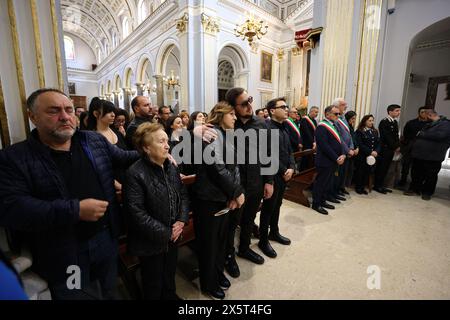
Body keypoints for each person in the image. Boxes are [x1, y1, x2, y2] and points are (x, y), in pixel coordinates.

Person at [0, 88, 139, 300]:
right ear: (33, 117)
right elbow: (14, 208)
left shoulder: (93, 141)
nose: (65, 117)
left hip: (105, 239)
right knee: (77, 295)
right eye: (54, 111)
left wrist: (161, 151)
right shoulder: (15, 158)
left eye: (69, 110)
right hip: (64, 251)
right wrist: (75, 210)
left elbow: (124, 158)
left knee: (109, 290)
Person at [123, 122, 189, 300]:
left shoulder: (171, 166)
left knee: (169, 274)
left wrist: (181, 221)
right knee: (153, 282)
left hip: (173, 234)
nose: (167, 145)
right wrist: (167, 232)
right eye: (161, 142)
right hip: (150, 240)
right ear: (146, 147)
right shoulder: (135, 173)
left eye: (167, 140)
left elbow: (182, 194)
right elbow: (137, 213)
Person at [193, 102, 245, 300]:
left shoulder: (227, 135)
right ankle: (208, 283)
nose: (235, 117)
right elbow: (217, 168)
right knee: (210, 244)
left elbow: (236, 168)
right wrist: (235, 192)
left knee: (222, 241)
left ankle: (217, 274)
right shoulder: (211, 133)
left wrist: (234, 193)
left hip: (223, 196)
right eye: (231, 114)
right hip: (209, 198)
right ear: (220, 115)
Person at [223, 88, 274, 275]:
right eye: (243, 103)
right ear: (233, 108)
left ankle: (244, 248)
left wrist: (269, 181)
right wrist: (198, 128)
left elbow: (269, 153)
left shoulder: (261, 123)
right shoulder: (227, 125)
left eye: (249, 100)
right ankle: (229, 256)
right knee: (231, 223)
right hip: (236, 185)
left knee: (250, 219)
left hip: (256, 182)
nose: (249, 106)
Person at [258, 98, 295, 258]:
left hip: (284, 174)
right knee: (268, 207)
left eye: (287, 107)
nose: (287, 109)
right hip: (272, 174)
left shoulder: (284, 127)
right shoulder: (266, 128)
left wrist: (292, 167)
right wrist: (284, 169)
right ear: (272, 110)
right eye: (283, 107)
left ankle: (274, 232)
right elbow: (267, 154)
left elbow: (289, 151)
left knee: (278, 204)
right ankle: (263, 240)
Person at [404, 110, 450, 200]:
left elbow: (440, 135)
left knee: (431, 175)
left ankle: (427, 192)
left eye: (425, 116)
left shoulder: (445, 124)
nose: (423, 118)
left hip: (433, 156)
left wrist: (421, 133)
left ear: (429, 115)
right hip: (420, 154)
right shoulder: (429, 124)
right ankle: (415, 189)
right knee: (416, 173)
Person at [311, 105, 346, 215]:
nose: (338, 116)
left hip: (333, 160)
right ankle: (316, 204)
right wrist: (336, 157)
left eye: (339, 114)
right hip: (324, 160)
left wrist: (342, 155)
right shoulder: (322, 126)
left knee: (328, 183)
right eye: (336, 114)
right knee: (321, 183)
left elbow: (338, 142)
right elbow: (324, 146)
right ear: (327, 114)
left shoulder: (333, 125)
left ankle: (323, 200)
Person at [398, 106, 431, 187]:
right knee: (406, 165)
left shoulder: (430, 124)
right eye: (422, 112)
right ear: (419, 113)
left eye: (425, 112)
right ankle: (403, 180)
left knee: (419, 167)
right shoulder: (411, 123)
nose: (424, 114)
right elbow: (405, 135)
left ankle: (416, 184)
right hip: (410, 147)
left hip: (423, 149)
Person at [374, 104, 401, 194]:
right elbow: (386, 137)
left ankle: (382, 185)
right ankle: (377, 186)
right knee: (382, 168)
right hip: (385, 148)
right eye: (397, 111)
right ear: (390, 111)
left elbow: (396, 136)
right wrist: (394, 146)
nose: (399, 113)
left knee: (386, 168)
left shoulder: (394, 122)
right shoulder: (384, 122)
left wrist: (398, 146)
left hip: (391, 149)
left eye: (399, 111)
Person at [332, 98, 356, 198]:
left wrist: (352, 147)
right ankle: (335, 191)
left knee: (343, 173)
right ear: (337, 106)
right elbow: (339, 137)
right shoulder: (335, 119)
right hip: (340, 151)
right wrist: (347, 150)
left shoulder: (343, 118)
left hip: (347, 151)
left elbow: (349, 135)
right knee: (337, 173)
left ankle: (340, 188)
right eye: (343, 104)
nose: (346, 106)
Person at [354, 115, 380, 194]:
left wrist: (376, 151)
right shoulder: (360, 131)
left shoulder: (374, 131)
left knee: (367, 172)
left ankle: (363, 187)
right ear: (365, 121)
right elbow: (360, 144)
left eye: (372, 120)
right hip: (362, 155)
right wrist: (370, 152)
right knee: (360, 172)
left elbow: (378, 143)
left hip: (372, 156)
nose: (371, 122)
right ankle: (358, 187)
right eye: (369, 120)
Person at [344, 111, 359, 188]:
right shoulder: (346, 127)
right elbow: (346, 140)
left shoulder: (351, 127)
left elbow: (354, 139)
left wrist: (357, 148)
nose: (354, 120)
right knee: (345, 171)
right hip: (347, 151)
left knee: (350, 171)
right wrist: (351, 150)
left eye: (354, 119)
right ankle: (341, 187)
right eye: (352, 118)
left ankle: (345, 186)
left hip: (353, 151)